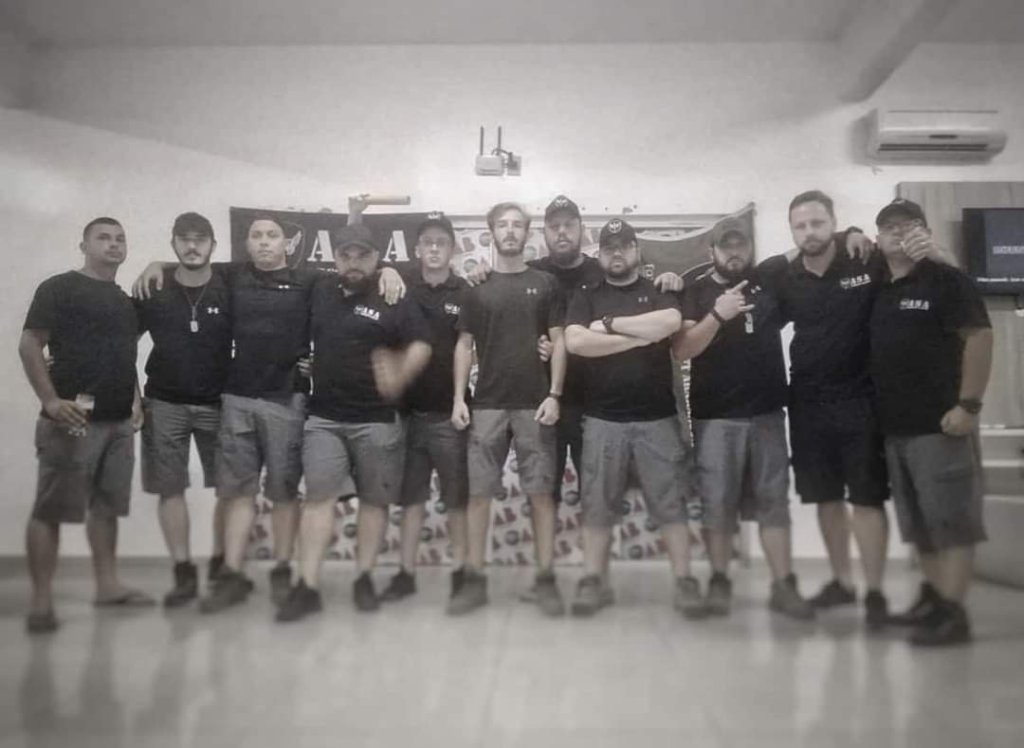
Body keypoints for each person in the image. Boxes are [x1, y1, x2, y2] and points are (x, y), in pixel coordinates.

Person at [135, 216, 404, 613]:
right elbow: (191, 262)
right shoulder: (232, 275)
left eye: (272, 236)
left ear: (287, 244)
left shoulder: (311, 281)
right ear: (246, 244)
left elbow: (356, 271)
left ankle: (281, 569)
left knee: (283, 493)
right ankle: (232, 574)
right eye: (257, 236)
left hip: (287, 400)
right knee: (237, 493)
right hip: (237, 398)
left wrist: (390, 269)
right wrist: (155, 264)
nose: (264, 242)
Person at [276, 224, 431, 621]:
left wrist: (401, 372)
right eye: (346, 255)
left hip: (377, 420)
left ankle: (363, 578)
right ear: (335, 258)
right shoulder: (321, 289)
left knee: (374, 503)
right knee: (318, 500)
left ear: (377, 258)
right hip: (324, 419)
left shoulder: (393, 292)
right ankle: (307, 585)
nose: (354, 262)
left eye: (363, 255)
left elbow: (421, 344)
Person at [759, 190, 893, 627]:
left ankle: (875, 592)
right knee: (825, 498)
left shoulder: (863, 260)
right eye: (800, 226)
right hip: (808, 404)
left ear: (833, 223)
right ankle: (842, 582)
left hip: (861, 400)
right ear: (791, 231)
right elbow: (750, 277)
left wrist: (854, 234)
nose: (809, 232)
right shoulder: (785, 275)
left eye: (817, 223)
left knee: (867, 499)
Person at [673, 218, 814, 619]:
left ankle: (784, 585)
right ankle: (719, 580)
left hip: (768, 414)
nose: (734, 253)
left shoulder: (767, 280)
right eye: (726, 246)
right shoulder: (696, 289)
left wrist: (848, 235)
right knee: (717, 505)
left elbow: (806, 246)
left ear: (749, 247)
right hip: (716, 418)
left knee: (774, 503)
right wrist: (718, 315)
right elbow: (683, 350)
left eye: (740, 245)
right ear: (712, 251)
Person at [869, 198, 992, 646]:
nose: (898, 232)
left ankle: (954, 614)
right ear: (878, 237)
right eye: (889, 227)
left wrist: (969, 406)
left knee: (951, 524)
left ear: (924, 231)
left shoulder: (947, 279)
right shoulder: (880, 287)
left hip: (940, 426)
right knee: (920, 526)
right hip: (895, 431)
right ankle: (935, 602)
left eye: (908, 225)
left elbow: (979, 337)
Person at [564, 218, 702, 617]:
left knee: (670, 505)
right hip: (602, 421)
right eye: (609, 247)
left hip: (657, 420)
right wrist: (640, 338)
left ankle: (684, 581)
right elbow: (576, 341)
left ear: (637, 251)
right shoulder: (586, 294)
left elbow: (669, 323)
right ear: (600, 254)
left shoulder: (658, 290)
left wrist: (609, 326)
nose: (617, 253)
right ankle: (594, 581)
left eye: (624, 246)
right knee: (597, 506)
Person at [19, 217, 151, 633]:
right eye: (103, 238)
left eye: (120, 239)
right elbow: (30, 344)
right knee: (50, 510)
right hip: (74, 417)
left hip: (118, 421)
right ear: (84, 246)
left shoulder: (125, 301)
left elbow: (124, 356)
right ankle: (41, 601)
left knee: (106, 508)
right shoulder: (59, 288)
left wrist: (135, 400)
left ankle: (107, 586)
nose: (113, 244)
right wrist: (49, 401)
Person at [449, 202, 566, 616]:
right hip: (487, 405)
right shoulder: (476, 288)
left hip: (536, 404)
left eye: (518, 225)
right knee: (479, 495)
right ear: (492, 232)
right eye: (503, 225)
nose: (510, 231)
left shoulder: (546, 283)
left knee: (541, 495)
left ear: (527, 233)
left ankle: (546, 579)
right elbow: (464, 345)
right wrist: (458, 398)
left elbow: (559, 340)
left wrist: (555, 394)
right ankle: (474, 580)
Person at [135, 212, 232, 607]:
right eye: (185, 239)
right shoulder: (153, 288)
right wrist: (133, 396)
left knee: (230, 488)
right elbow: (120, 344)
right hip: (164, 401)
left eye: (200, 239)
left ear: (213, 245)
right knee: (169, 488)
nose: (193, 246)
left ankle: (222, 565)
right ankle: (183, 572)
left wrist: (158, 261)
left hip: (219, 402)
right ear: (173, 242)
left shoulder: (229, 284)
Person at [377, 214, 472, 604]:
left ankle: (462, 573)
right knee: (411, 500)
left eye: (441, 242)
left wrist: (459, 400)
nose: (434, 248)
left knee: (456, 501)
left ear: (452, 249)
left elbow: (466, 347)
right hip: (406, 417)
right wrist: (385, 269)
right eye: (428, 242)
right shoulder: (400, 286)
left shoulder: (464, 291)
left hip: (448, 416)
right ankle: (405, 574)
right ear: (417, 249)